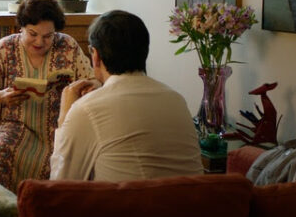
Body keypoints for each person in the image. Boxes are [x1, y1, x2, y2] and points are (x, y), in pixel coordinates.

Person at [50, 10, 203, 182]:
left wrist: (64, 117)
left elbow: (60, 186)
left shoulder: (87, 109)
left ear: (95, 55)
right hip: (192, 199)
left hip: (133, 200)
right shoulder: (177, 100)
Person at [0, 0, 94, 191]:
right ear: (21, 27)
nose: (39, 42)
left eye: (48, 36)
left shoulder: (68, 46)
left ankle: (50, 207)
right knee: (0, 152)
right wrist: (0, 96)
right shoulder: (5, 47)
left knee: (72, 154)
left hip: (59, 126)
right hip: (13, 124)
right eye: (32, 34)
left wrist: (86, 89)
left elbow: (92, 80)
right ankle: (3, 206)